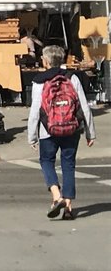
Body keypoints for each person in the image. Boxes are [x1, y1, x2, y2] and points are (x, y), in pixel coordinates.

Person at [27, 45, 97, 220]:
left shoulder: (39, 80)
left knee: (46, 161)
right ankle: (68, 208)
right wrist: (90, 132)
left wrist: (32, 136)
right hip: (71, 128)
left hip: (48, 129)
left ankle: (57, 196)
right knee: (68, 165)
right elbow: (84, 106)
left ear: (46, 61)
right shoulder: (72, 77)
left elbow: (35, 110)